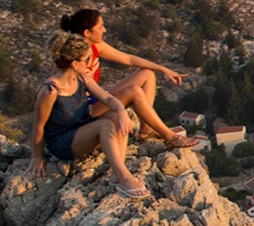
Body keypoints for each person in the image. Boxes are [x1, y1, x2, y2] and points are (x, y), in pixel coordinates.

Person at [28, 32, 150, 198]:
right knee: (105, 125)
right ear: (74, 63)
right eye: (86, 60)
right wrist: (37, 157)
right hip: (62, 142)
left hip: (81, 128)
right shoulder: (50, 91)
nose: (90, 63)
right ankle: (124, 177)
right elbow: (38, 126)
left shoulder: (82, 78)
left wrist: (121, 111)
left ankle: (117, 173)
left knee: (114, 116)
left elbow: (107, 98)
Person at [56, 8, 197, 149]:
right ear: (87, 33)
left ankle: (146, 131)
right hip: (83, 112)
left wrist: (163, 69)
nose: (104, 30)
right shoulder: (73, 58)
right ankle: (170, 136)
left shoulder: (94, 46)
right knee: (133, 91)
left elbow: (128, 59)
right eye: (100, 27)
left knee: (147, 74)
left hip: (95, 100)